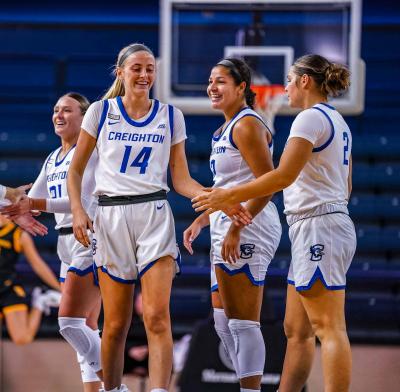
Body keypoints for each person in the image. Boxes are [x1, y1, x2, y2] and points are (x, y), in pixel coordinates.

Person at [66, 43, 247, 392]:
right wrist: (77, 210)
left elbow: (180, 179)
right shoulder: (101, 112)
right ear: (120, 73)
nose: (144, 74)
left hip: (154, 214)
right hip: (111, 215)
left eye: (150, 68)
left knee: (157, 317)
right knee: (116, 324)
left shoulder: (170, 115)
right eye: (136, 68)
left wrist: (218, 199)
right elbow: (76, 172)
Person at [192, 54, 356, 392]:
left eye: (291, 82)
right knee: (296, 331)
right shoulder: (338, 121)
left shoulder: (309, 118)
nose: (287, 89)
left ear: (306, 81)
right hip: (317, 224)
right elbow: (347, 185)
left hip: (319, 226)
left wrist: (227, 196)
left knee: (329, 328)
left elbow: (280, 176)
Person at [183, 57, 281, 392]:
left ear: (242, 88)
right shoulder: (224, 128)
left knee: (242, 323)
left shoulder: (246, 125)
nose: (212, 87)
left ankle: (250, 390)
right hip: (229, 224)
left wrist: (238, 229)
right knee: (223, 322)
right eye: (210, 80)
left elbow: (268, 183)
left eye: (221, 81)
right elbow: (227, 187)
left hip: (250, 225)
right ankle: (246, 385)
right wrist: (201, 219)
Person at [1, 92, 103, 392]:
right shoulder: (52, 157)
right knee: (86, 327)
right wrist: (17, 208)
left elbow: (79, 201)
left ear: (83, 118)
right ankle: (99, 388)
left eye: (67, 110)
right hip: (65, 243)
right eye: (56, 109)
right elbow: (27, 201)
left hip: (90, 237)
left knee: (73, 322)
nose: (59, 115)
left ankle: (112, 382)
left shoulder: (90, 151)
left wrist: (27, 204)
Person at [0, 214, 60, 344]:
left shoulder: (18, 234)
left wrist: (60, 289)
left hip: (9, 288)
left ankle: (40, 301)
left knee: (22, 338)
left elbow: (38, 265)